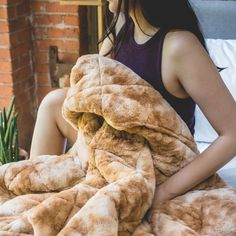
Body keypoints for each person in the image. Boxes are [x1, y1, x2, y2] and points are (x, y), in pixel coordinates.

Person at [30, 0, 236, 207]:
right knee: (54, 102)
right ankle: (32, 194)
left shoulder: (179, 46)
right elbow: (92, 99)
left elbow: (232, 134)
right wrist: (86, 151)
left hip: (158, 164)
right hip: (115, 147)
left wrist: (164, 193)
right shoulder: (121, 28)